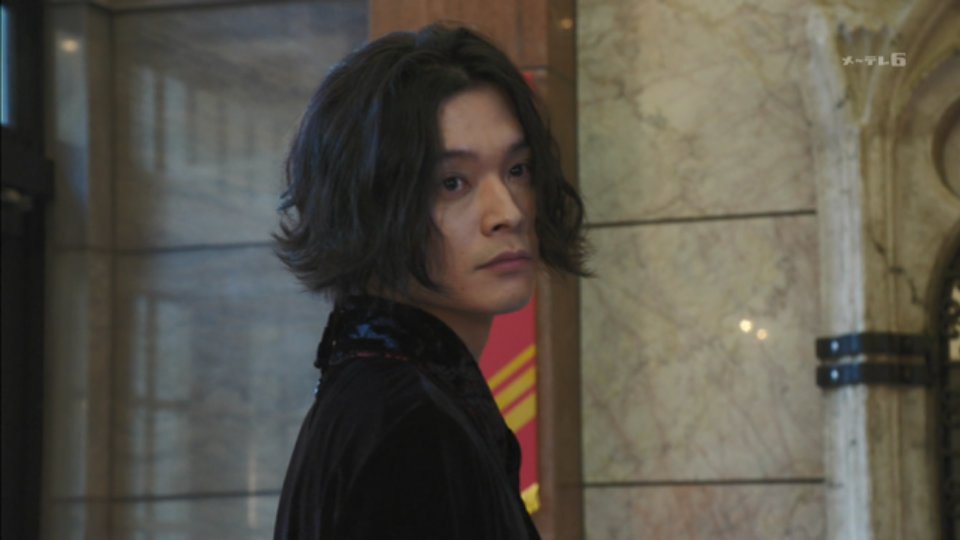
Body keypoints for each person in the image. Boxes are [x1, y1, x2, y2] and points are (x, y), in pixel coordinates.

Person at [272, 22, 588, 540]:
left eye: (518, 170)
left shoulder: (386, 392)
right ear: (368, 207)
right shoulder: (408, 422)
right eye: (452, 183)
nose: (508, 213)